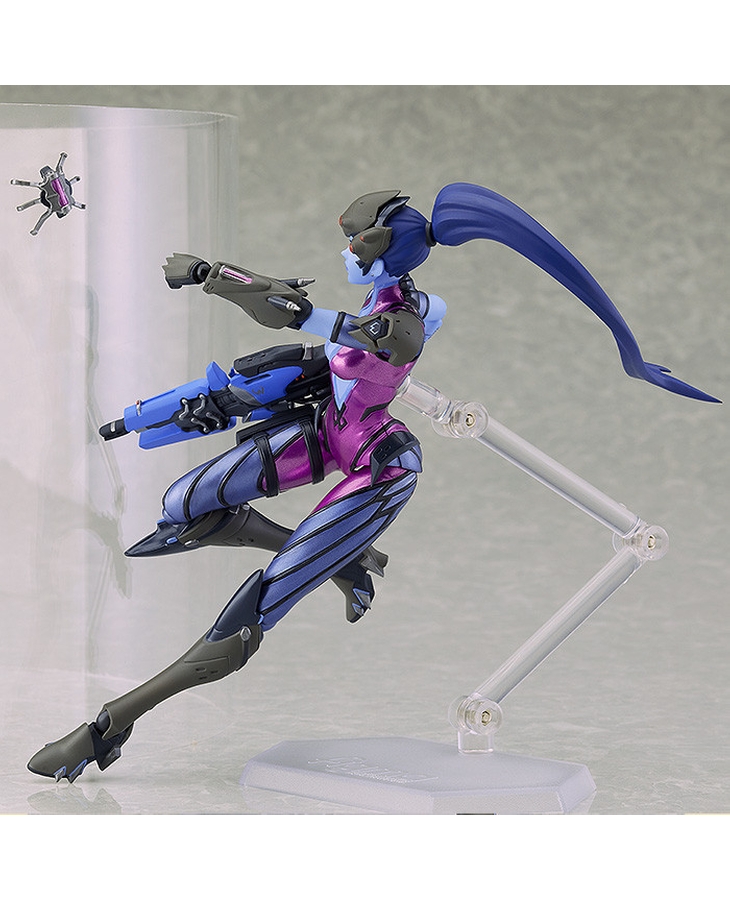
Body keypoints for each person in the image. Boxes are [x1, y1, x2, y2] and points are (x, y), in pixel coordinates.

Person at [28, 183, 717, 782]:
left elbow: (307, 317)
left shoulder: (402, 324)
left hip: (377, 462)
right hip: (327, 430)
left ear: (383, 248)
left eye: (355, 240)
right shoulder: (391, 303)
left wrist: (214, 274)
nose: (345, 251)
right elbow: (311, 353)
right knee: (184, 507)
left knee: (252, 612)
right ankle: (342, 559)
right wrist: (222, 399)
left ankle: (111, 724)